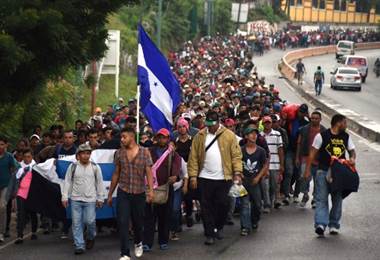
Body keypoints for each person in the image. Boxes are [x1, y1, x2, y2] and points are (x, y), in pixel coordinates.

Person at [188, 111, 242, 246]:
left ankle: (219, 226)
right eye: (208, 125)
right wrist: (193, 176)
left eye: (212, 125)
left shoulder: (229, 136)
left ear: (218, 122)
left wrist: (237, 172)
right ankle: (209, 233)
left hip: (224, 178)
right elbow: (193, 157)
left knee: (224, 204)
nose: (210, 128)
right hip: (205, 178)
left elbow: (236, 155)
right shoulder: (200, 136)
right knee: (206, 206)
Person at [304, 114, 356, 237]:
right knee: (321, 199)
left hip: (339, 173)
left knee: (337, 199)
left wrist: (352, 158)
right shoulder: (322, 136)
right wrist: (307, 170)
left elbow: (352, 151)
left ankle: (334, 224)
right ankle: (320, 224)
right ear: (338, 123)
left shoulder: (346, 137)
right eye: (345, 122)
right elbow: (312, 153)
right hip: (323, 171)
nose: (346, 125)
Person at [107, 128, 154, 260]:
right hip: (124, 192)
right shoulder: (119, 153)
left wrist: (150, 190)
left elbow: (149, 172)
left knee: (138, 223)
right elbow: (116, 173)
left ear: (132, 137)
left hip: (139, 193)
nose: (121, 139)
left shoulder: (145, 152)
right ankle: (125, 253)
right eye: (121, 137)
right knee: (122, 221)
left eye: (124, 137)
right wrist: (110, 194)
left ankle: (138, 242)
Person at [61, 143, 105, 255]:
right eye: (83, 153)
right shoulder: (73, 167)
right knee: (76, 223)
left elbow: (100, 183)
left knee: (89, 221)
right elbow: (67, 181)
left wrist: (100, 198)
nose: (85, 156)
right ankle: (79, 245)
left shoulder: (95, 167)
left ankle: (90, 237)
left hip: (90, 200)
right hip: (75, 199)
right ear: (78, 155)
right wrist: (65, 197)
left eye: (87, 153)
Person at [143, 128, 181, 252]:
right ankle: (147, 242)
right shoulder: (149, 151)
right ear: (156, 138)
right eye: (159, 137)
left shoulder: (172, 153)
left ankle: (163, 241)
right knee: (149, 216)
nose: (161, 139)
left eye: (164, 137)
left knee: (165, 216)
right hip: (150, 187)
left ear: (168, 139)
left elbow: (176, 165)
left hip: (166, 188)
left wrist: (174, 176)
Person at [240, 127, 268, 236]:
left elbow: (265, 165)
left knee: (257, 204)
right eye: (250, 134)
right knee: (244, 204)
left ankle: (254, 220)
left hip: (255, 182)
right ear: (246, 136)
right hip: (243, 182)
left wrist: (258, 177)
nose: (253, 136)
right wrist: (239, 174)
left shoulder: (261, 151)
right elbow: (236, 162)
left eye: (255, 134)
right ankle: (245, 226)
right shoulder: (240, 150)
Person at [295, 111, 326, 208]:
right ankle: (305, 194)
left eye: (316, 118)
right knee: (304, 178)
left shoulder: (324, 131)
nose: (314, 120)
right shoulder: (304, 129)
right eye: (312, 118)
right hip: (305, 157)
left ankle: (315, 199)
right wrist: (297, 157)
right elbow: (299, 143)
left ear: (320, 119)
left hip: (319, 159)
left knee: (318, 180)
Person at [261, 116, 284, 210]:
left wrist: (282, 165)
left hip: (275, 164)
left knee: (273, 185)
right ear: (262, 124)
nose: (267, 124)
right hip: (264, 165)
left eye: (269, 122)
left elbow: (280, 150)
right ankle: (267, 204)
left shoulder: (277, 134)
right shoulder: (259, 135)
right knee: (265, 186)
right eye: (265, 123)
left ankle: (272, 200)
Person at [14, 149, 37, 244]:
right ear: (22, 157)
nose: (27, 159)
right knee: (21, 214)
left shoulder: (36, 167)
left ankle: (34, 232)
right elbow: (16, 178)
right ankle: (20, 235)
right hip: (21, 193)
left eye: (29, 156)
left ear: (32, 157)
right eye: (25, 157)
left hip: (32, 193)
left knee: (33, 213)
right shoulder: (19, 166)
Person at [0, 136, 19, 242]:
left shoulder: (9, 157)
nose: (0, 146)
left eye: (2, 144)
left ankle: (1, 232)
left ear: (6, 145)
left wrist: (14, 186)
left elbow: (17, 169)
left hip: (6, 186)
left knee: (2, 207)